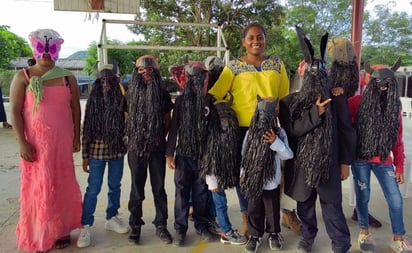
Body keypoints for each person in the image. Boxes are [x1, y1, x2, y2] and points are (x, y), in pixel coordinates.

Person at [208, 22, 290, 238]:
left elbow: (285, 97)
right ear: (244, 42)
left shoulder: (276, 64)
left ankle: (274, 222)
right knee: (246, 176)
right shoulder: (233, 67)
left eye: (260, 37)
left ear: (265, 39)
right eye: (251, 38)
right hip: (242, 129)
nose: (256, 41)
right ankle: (247, 216)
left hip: (268, 129)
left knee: (270, 176)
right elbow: (216, 95)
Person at [278, 27, 355, 253]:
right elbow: (291, 130)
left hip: (329, 165)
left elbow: (346, 131)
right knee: (305, 207)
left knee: (332, 208)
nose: (315, 78)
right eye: (311, 74)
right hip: (301, 166)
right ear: (303, 75)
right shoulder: (289, 102)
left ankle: (341, 243)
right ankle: (307, 237)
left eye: (320, 75)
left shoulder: (336, 100)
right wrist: (315, 113)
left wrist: (344, 163)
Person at [9, 28, 82, 252]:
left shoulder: (67, 77)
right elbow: (14, 111)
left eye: (52, 51)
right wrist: (22, 142)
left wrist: (77, 136)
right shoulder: (24, 76)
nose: (48, 55)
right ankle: (39, 231)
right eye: (43, 50)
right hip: (37, 146)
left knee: (61, 184)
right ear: (36, 50)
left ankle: (61, 231)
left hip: (61, 143)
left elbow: (75, 109)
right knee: (39, 188)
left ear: (58, 51)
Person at [348, 59, 412, 253]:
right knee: (363, 195)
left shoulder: (394, 108)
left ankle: (398, 238)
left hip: (384, 160)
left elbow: (397, 138)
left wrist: (399, 166)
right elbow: (344, 125)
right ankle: (364, 232)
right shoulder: (356, 103)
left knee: (395, 198)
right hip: (360, 159)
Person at [327, 37, 383, 229]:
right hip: (340, 125)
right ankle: (359, 209)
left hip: (357, 126)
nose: (345, 52)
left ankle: (360, 209)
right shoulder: (330, 73)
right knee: (351, 171)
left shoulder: (358, 75)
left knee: (358, 171)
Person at [76, 64, 129, 248]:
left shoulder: (122, 98)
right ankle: (85, 225)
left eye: (110, 80)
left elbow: (127, 122)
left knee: (115, 186)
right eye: (102, 80)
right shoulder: (93, 99)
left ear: (115, 81)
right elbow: (86, 126)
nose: (106, 83)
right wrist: (85, 155)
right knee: (93, 189)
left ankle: (111, 217)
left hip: (117, 151)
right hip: (96, 151)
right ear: (98, 81)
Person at [124, 55, 174, 245]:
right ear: (136, 72)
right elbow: (126, 118)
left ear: (156, 72)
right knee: (137, 189)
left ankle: (161, 225)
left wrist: (157, 137)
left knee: (159, 188)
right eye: (141, 70)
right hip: (136, 148)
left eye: (149, 70)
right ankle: (135, 225)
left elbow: (167, 120)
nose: (145, 73)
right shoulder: (129, 93)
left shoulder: (162, 94)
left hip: (157, 148)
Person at [166, 61, 215, 246]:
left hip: (203, 156)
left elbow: (214, 130)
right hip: (183, 156)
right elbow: (174, 127)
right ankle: (180, 229)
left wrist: (213, 155)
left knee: (202, 192)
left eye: (200, 76)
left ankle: (202, 225)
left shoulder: (210, 100)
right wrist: (169, 153)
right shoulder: (180, 101)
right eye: (192, 77)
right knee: (181, 193)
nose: (196, 80)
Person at [240, 97, 294, 253]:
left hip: (271, 181)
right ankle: (255, 236)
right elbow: (244, 154)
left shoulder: (280, 133)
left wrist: (275, 142)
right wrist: (243, 174)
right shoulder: (250, 132)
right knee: (254, 207)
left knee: (272, 208)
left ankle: (274, 234)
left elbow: (288, 155)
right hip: (253, 180)